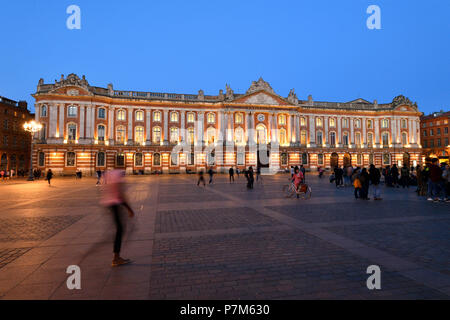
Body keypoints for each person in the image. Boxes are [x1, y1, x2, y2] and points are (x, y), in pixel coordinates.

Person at [101, 169, 135, 267]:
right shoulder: (118, 173)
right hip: (114, 203)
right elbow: (120, 193)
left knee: (119, 228)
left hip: (109, 203)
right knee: (120, 229)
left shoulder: (108, 173)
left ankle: (116, 256)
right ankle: (116, 258)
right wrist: (129, 208)